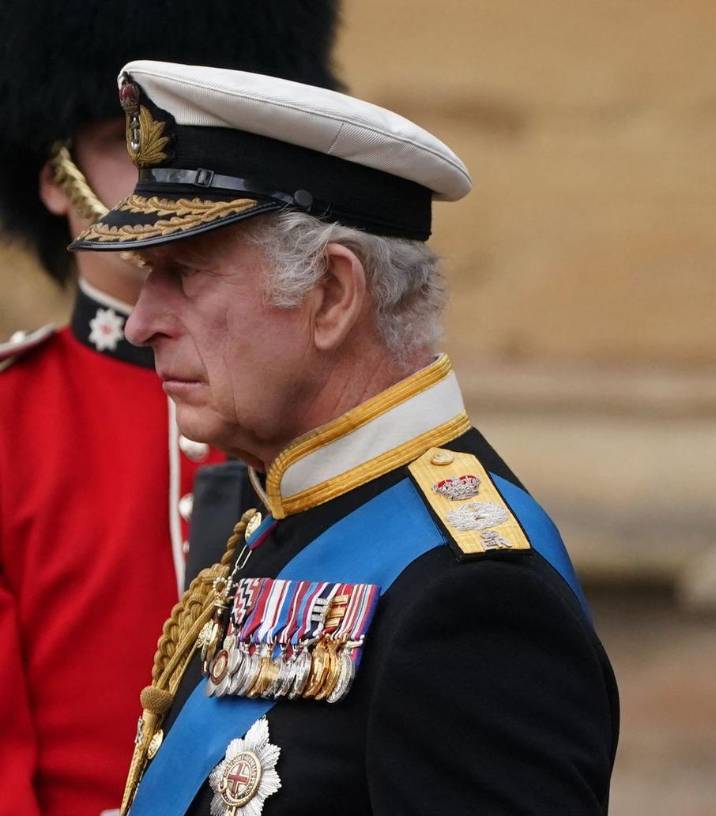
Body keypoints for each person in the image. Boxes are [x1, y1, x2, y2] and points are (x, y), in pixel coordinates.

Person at [71, 61, 619, 815]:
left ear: (331, 294)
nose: (141, 323)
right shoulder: (292, 509)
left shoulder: (474, 596)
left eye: (186, 274)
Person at [0, 5, 341, 813]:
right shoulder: (13, 425)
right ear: (54, 177)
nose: (173, 177)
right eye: (130, 143)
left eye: (200, 142)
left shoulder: (316, 402)